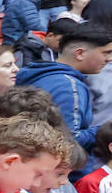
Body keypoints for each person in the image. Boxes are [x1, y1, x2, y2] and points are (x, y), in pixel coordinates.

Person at [15, 27, 112, 156]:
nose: (109, 59)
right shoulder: (68, 86)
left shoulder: (44, 73)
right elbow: (69, 140)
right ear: (80, 54)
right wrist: (105, 130)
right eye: (106, 53)